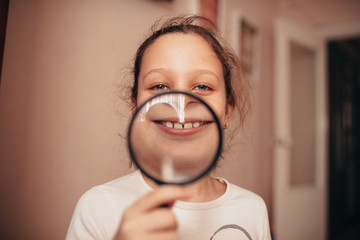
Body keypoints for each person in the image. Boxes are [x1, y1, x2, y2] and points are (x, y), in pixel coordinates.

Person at [66, 15, 271, 240]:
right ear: (136, 106)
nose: (180, 103)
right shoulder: (98, 209)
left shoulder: (253, 210)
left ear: (226, 111)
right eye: (160, 86)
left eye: (202, 86)